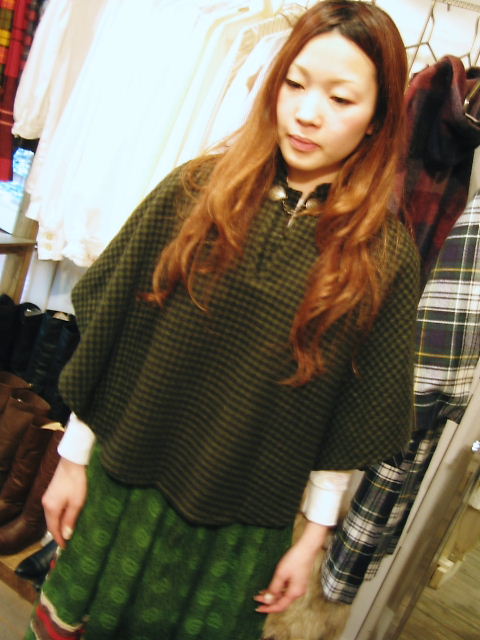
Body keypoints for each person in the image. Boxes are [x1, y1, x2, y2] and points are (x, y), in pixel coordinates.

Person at [26, 2, 419, 639]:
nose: (308, 112)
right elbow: (118, 339)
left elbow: (351, 410)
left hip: (242, 529)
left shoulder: (383, 256)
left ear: (378, 118)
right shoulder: (194, 192)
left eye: (341, 98)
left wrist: (313, 537)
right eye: (295, 83)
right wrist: (71, 459)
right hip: (123, 484)